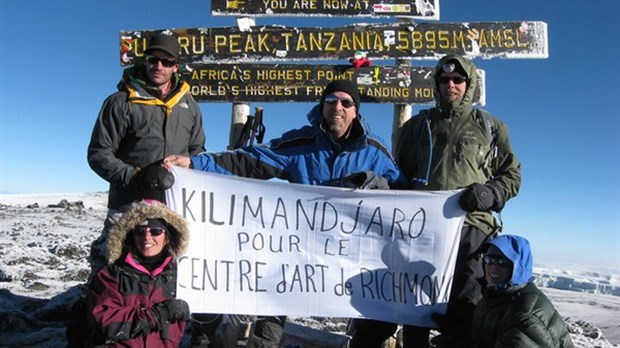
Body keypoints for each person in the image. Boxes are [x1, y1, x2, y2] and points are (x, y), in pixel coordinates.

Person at [164, 79, 406, 348]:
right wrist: (195, 162)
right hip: (300, 246)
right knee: (274, 284)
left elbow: (402, 193)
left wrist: (376, 184)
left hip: (353, 251)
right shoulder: (300, 143)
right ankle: (264, 343)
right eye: (331, 101)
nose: (337, 107)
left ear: (355, 111)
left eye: (346, 102)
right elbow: (248, 160)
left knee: (374, 315)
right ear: (322, 106)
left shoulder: (375, 151)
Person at [350, 54, 522, 347]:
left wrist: (490, 193)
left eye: (458, 80)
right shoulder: (417, 126)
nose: (451, 85)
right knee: (413, 303)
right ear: (437, 85)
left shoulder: (490, 127)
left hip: (470, 227)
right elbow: (398, 174)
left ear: (469, 85)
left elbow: (512, 176)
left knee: (464, 306)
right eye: (444, 80)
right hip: (420, 226)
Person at [87, 33, 206, 277]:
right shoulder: (121, 102)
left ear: (176, 67)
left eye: (167, 61)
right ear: (145, 61)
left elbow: (198, 152)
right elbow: (99, 153)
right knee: (112, 269)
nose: (159, 66)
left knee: (170, 274)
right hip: (127, 204)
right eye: (153, 60)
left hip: (173, 206)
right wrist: (135, 176)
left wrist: (190, 166)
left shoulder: (189, 106)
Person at [84, 199, 191, 347]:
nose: (147, 237)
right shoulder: (111, 275)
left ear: (167, 237)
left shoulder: (183, 277)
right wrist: (160, 314)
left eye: (156, 231)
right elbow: (106, 321)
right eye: (140, 231)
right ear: (131, 236)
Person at [463, 234, 574, 347]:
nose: (494, 266)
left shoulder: (524, 315)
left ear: (518, 268)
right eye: (489, 260)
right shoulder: (492, 298)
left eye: (503, 262)